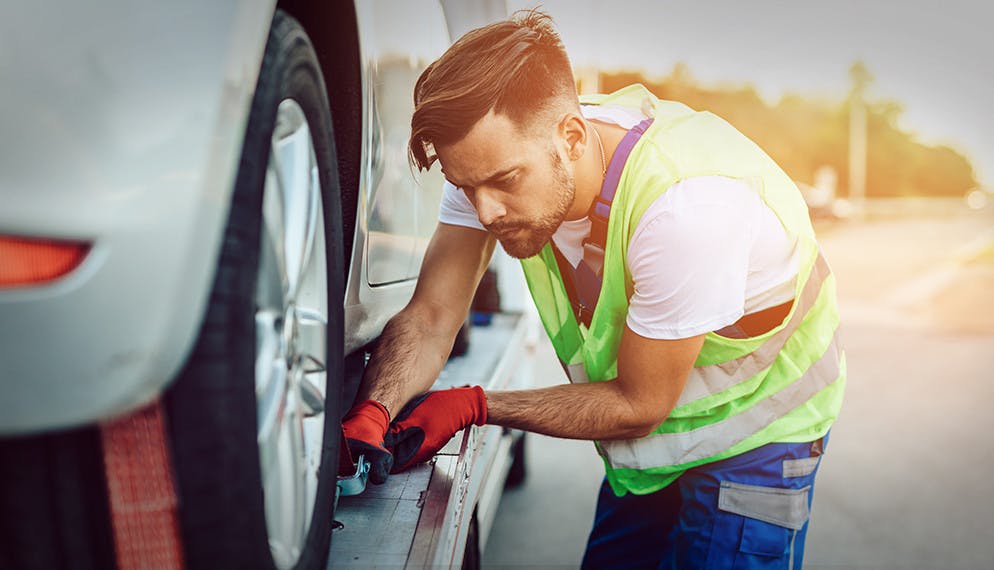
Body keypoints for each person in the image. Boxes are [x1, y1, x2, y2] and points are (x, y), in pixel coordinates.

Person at [341, 9, 845, 569]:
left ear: (572, 137)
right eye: (466, 186)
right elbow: (433, 315)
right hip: (655, 454)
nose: (485, 211)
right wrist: (373, 411)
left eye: (503, 183)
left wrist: (477, 405)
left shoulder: (684, 209)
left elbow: (639, 404)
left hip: (758, 440)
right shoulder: (494, 160)